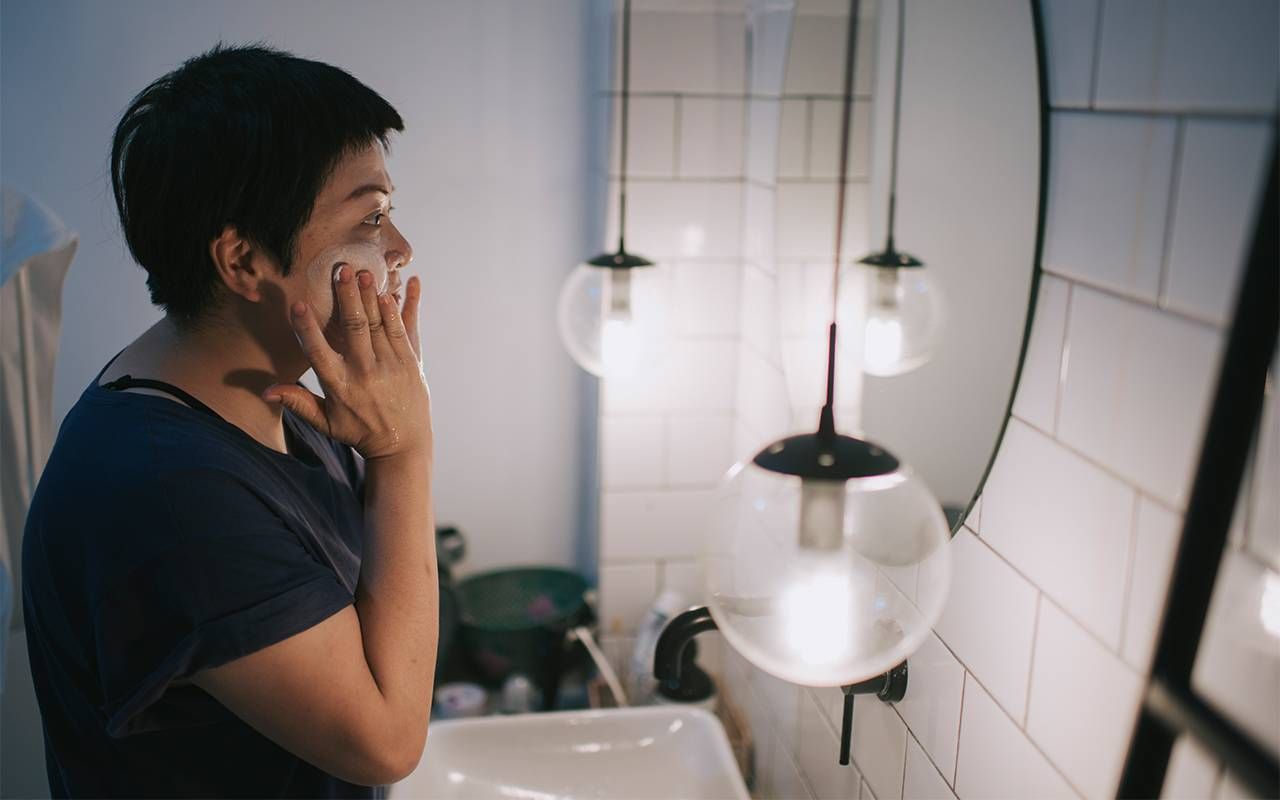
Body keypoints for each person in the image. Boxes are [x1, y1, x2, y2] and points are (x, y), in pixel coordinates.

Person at [21, 43, 437, 797]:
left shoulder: (279, 396)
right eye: (371, 217)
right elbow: (386, 741)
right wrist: (405, 452)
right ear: (243, 262)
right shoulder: (167, 491)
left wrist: (390, 442)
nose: (400, 251)